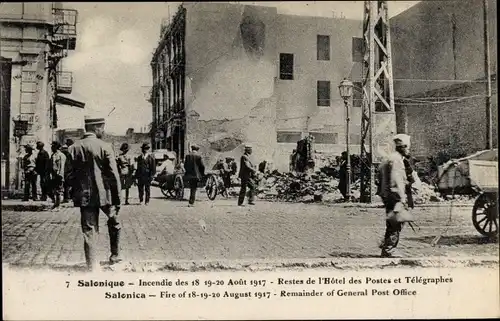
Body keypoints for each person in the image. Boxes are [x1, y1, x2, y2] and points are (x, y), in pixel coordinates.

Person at [68, 117, 122, 271]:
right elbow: (114, 175)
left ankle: (92, 267)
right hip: (105, 195)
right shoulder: (105, 147)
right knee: (115, 222)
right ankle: (115, 256)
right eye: (102, 128)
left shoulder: (73, 148)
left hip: (84, 196)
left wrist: (76, 190)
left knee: (89, 230)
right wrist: (117, 200)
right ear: (97, 127)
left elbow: (68, 176)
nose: (103, 131)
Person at [377, 134, 419, 258]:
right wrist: (401, 198)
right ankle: (389, 249)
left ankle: (386, 244)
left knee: (395, 221)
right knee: (395, 223)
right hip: (394, 196)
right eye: (408, 148)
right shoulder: (396, 160)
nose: (409, 150)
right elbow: (396, 180)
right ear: (403, 147)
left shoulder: (392, 158)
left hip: (389, 195)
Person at [49, 141, 66, 210]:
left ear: (56, 147)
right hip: (53, 174)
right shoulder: (53, 155)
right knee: (54, 190)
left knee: (59, 190)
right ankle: (56, 203)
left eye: (53, 146)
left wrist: (60, 175)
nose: (51, 147)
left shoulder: (61, 155)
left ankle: (58, 205)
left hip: (58, 174)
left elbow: (62, 166)